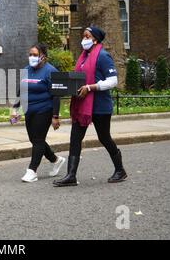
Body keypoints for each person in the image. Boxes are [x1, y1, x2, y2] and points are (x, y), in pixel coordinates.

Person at [53, 26, 128, 187]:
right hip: (82, 105)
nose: (84, 39)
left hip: (100, 106)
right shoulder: (84, 56)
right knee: (75, 138)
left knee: (104, 138)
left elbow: (113, 81)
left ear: (95, 40)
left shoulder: (102, 56)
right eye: (83, 36)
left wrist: (91, 87)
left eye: (87, 37)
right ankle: (71, 175)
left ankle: (120, 170)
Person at [11, 43, 66, 183]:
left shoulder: (51, 71)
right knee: (34, 140)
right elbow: (21, 91)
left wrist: (55, 116)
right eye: (30, 54)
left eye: (35, 55)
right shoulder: (26, 69)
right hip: (29, 110)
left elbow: (56, 95)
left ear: (43, 57)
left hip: (45, 109)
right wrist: (15, 109)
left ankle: (32, 171)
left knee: (38, 140)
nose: (32, 57)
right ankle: (55, 160)